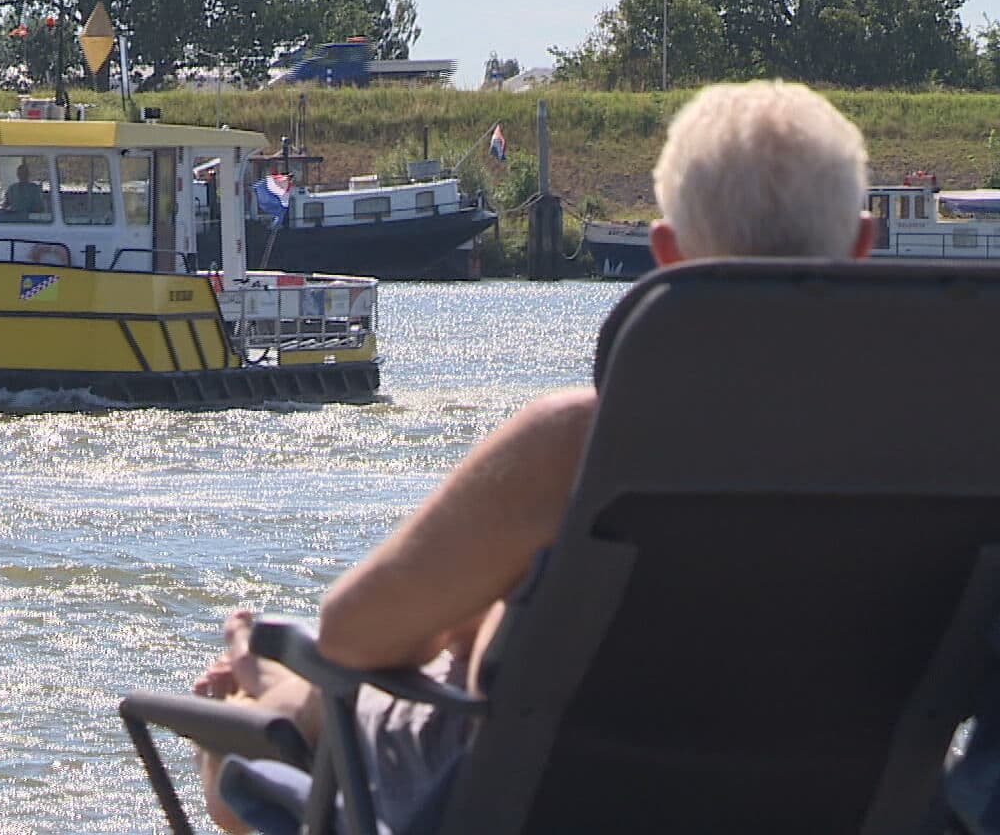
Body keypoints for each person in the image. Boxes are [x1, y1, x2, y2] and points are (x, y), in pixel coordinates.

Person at [192, 80, 875, 834]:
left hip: (544, 801)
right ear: (863, 245)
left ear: (666, 253)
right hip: (828, 803)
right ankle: (292, 690)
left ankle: (275, 700)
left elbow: (356, 633)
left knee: (257, 747)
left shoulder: (582, 445)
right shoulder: (941, 453)